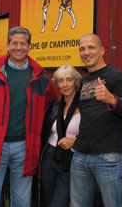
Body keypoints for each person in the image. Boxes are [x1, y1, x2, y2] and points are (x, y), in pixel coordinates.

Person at [0, 26, 58, 207]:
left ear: (29, 46)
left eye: (23, 44)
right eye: (15, 43)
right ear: (8, 46)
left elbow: (51, 105)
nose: (19, 47)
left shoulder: (40, 78)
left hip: (25, 146)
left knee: (22, 201)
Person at [70, 33, 122, 207]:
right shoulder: (85, 80)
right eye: (82, 49)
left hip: (108, 157)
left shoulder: (118, 77)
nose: (86, 52)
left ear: (102, 50)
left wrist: (112, 100)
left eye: (91, 47)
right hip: (80, 157)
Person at [41, 64, 82, 207]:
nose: (65, 85)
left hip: (72, 159)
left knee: (58, 203)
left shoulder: (85, 106)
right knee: (48, 200)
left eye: (69, 80)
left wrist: (75, 140)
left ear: (76, 82)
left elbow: (93, 132)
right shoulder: (54, 106)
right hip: (50, 156)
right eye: (61, 81)